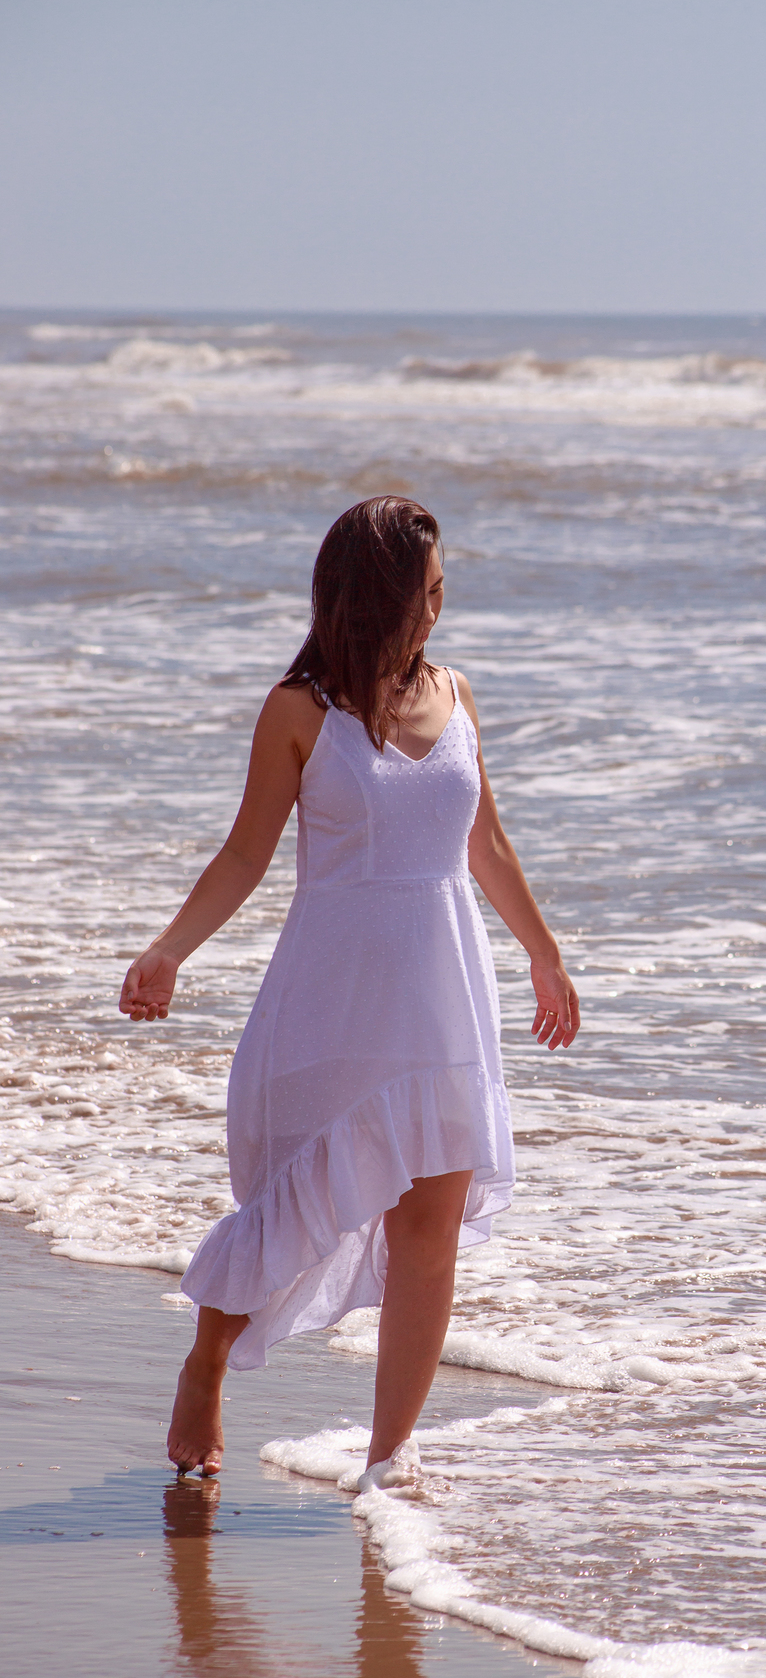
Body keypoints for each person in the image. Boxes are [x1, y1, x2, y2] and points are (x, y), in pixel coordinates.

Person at [119, 497, 579, 1482]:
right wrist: (170, 952)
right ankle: (207, 1363)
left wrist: (542, 951)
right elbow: (247, 852)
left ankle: (388, 1461)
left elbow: (484, 842)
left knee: (431, 1232)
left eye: (444, 586)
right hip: (333, 1007)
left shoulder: (455, 693)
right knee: (291, 1209)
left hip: (445, 1004)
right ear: (376, 597)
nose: (441, 604)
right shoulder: (301, 712)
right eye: (427, 589)